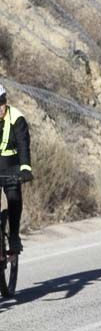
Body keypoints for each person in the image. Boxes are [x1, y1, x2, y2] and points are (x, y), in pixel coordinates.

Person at [0, 83, 33, 255]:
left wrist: (25, 169)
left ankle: (13, 236)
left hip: (11, 166)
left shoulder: (17, 118)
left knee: (13, 197)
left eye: (1, 102)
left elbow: (23, 145)